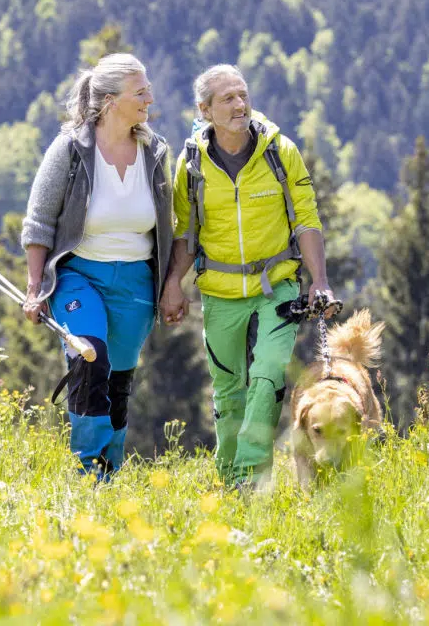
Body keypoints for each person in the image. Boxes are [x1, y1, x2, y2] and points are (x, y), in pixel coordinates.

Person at [159, 64, 335, 488]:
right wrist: (173, 286)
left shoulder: (280, 151)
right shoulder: (192, 164)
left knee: (269, 372)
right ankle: (229, 477)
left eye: (243, 95)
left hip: (278, 286)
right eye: (227, 99)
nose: (240, 105)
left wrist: (320, 280)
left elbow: (306, 219)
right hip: (219, 291)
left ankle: (252, 478)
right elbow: (185, 232)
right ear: (204, 110)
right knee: (228, 388)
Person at [20, 54, 173, 476]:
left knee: (117, 383)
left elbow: (170, 226)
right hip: (78, 275)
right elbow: (38, 222)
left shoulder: (155, 151)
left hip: (136, 283)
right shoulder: (70, 149)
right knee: (90, 360)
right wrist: (35, 288)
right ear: (109, 100)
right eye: (139, 91)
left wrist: (173, 285)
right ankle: (88, 470)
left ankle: (110, 472)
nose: (149, 98)